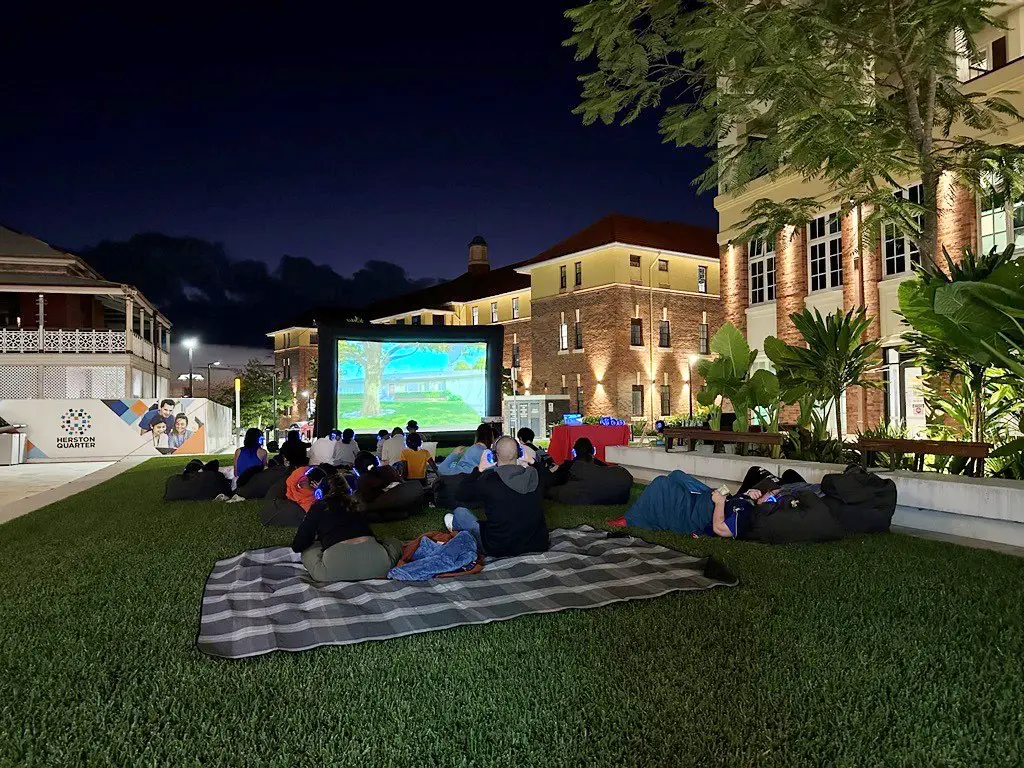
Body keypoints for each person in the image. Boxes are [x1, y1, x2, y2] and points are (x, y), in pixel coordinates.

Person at [445, 436, 550, 557]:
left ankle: (457, 527)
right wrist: (533, 461)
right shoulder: (536, 475)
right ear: (520, 453)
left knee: (460, 512)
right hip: (537, 544)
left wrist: (479, 469)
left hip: (499, 547)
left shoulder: (488, 479)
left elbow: (461, 494)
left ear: (494, 456)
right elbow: (552, 477)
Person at [291, 471, 403, 582]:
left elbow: (298, 545)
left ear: (320, 492)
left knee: (307, 551)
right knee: (394, 542)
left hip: (332, 572)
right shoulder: (359, 505)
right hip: (379, 567)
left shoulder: (319, 507)